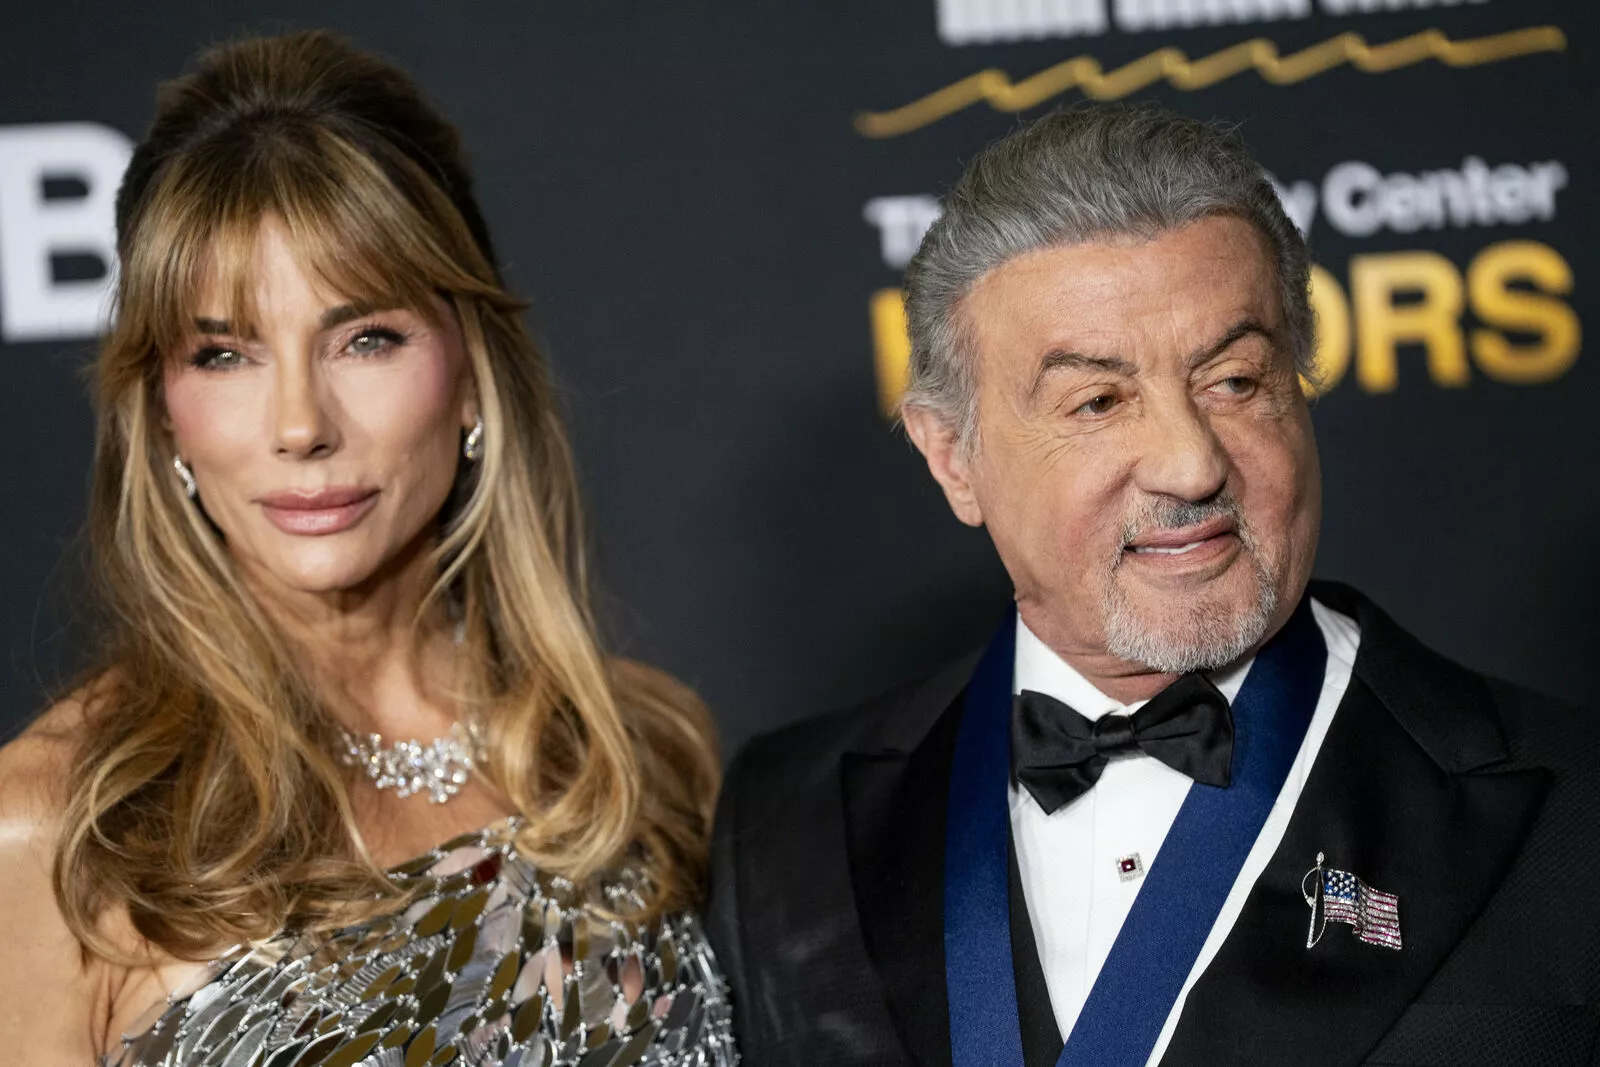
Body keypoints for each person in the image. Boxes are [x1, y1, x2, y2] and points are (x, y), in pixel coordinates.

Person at [707, 104, 1599, 1066]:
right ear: (953, 457)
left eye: (1235, 381)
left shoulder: (1575, 805)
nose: (1191, 463)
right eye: (1098, 401)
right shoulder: (782, 824)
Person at [0, 31, 735, 1067]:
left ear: (470, 374)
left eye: (366, 339)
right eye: (225, 353)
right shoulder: (58, 829)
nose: (301, 424)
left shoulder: (635, 758)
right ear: (163, 414)